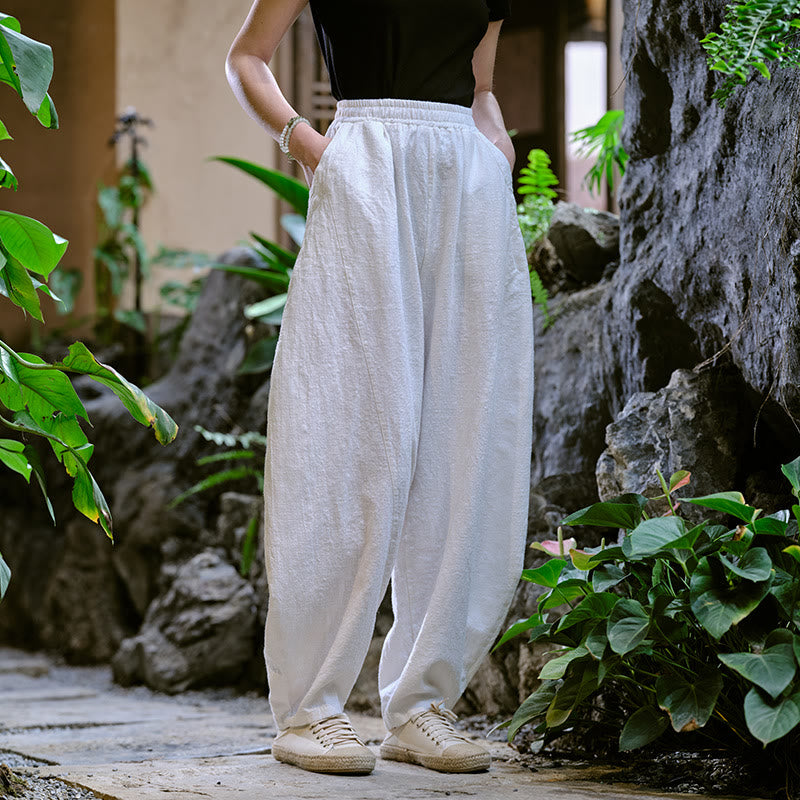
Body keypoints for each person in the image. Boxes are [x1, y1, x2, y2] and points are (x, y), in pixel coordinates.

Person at [226, 0, 534, 777]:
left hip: (466, 182)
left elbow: (480, 83)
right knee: (345, 426)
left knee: (466, 431)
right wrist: (312, 148)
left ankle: (423, 702)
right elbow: (247, 59)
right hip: (366, 164)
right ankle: (310, 708)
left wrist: (493, 142)